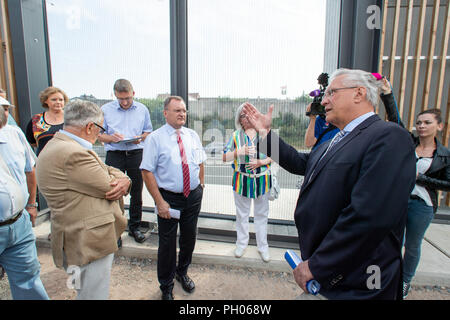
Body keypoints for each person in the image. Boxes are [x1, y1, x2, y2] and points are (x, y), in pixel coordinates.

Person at [243, 68, 417, 300]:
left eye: (332, 93)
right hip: (330, 275)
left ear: (359, 93)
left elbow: (370, 217)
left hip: (358, 282)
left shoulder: (388, 137)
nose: (323, 100)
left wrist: (318, 265)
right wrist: (265, 134)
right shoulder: (335, 139)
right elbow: (300, 163)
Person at [36, 99, 130, 299]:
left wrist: (117, 175)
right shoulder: (73, 154)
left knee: (82, 289)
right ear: (90, 127)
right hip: (87, 240)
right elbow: (108, 185)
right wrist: (125, 178)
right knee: (92, 293)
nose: (100, 134)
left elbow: (103, 170)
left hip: (73, 237)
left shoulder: (61, 145)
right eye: (100, 129)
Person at [381, 90, 450, 298]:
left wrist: (420, 178)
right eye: (419, 122)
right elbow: (395, 119)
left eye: (427, 122)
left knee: (412, 245)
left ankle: (405, 281)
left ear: (439, 126)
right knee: (392, 242)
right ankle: (386, 279)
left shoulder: (444, 155)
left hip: (422, 206)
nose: (421, 126)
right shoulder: (409, 142)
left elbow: (448, 184)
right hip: (398, 201)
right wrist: (387, 95)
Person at [141, 96, 206, 300]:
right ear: (165, 113)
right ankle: (166, 286)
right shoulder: (155, 138)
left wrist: (201, 185)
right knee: (167, 244)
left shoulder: (192, 135)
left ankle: (182, 272)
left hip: (192, 196)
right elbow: (147, 171)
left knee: (189, 239)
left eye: (184, 110)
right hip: (169, 199)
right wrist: (160, 202)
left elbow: (201, 161)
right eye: (177, 110)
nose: (182, 114)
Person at [0, 96, 49, 300]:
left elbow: (30, 170)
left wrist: (31, 204)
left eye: (5, 109)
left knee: (28, 281)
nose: (5, 113)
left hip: (19, 225)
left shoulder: (14, 134)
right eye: (2, 109)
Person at [98, 79, 153, 244]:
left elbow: (148, 132)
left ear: (133, 93)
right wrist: (111, 138)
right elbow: (99, 135)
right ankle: (115, 231)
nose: (125, 102)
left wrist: (140, 138)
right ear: (115, 95)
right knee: (113, 192)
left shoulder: (142, 109)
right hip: (115, 155)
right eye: (121, 99)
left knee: (136, 192)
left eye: (128, 98)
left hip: (136, 153)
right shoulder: (105, 110)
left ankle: (134, 228)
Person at [223, 103, 272, 262]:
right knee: (242, 215)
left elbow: (275, 156)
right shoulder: (235, 136)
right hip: (241, 181)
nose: (247, 118)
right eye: (243, 116)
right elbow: (224, 157)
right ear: (240, 120)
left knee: (261, 215)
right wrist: (239, 151)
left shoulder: (265, 134)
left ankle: (263, 247)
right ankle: (241, 244)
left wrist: (260, 162)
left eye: (249, 114)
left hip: (262, 181)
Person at [26, 86, 67, 156]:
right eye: (54, 100)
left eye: (61, 100)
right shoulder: (36, 120)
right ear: (46, 101)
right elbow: (32, 142)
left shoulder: (72, 118)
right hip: (45, 163)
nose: (58, 102)